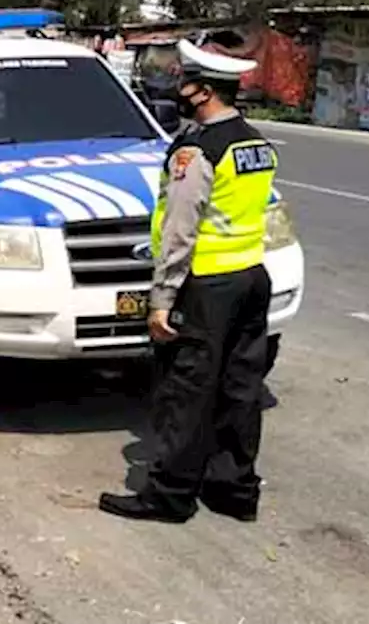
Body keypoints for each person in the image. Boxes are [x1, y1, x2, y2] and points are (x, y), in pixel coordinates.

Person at [100, 39, 277, 524]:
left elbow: (180, 230)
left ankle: (170, 494)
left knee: (186, 390)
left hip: (207, 284)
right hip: (251, 276)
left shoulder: (197, 150)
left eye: (185, 81)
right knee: (239, 388)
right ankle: (234, 490)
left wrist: (162, 299)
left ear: (202, 93)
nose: (178, 88)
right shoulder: (254, 143)